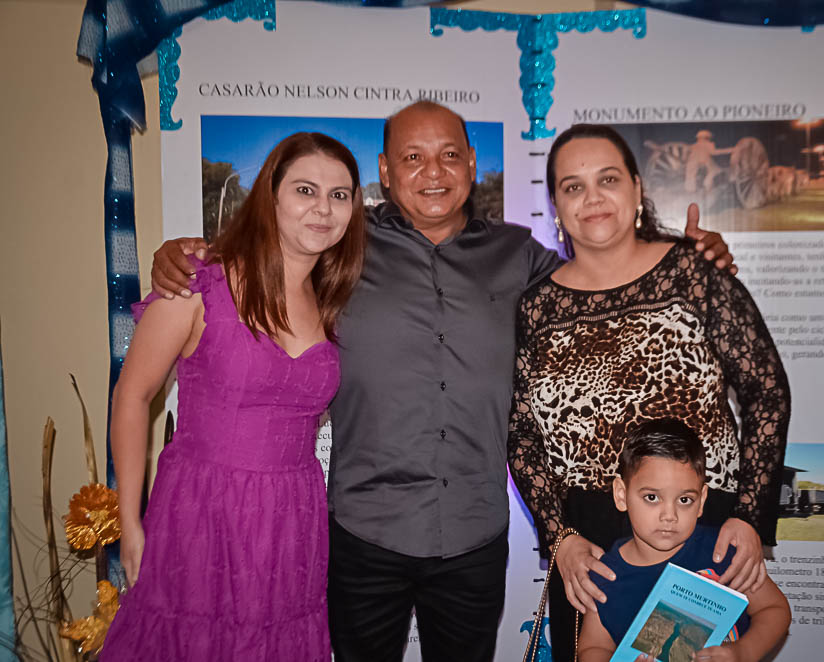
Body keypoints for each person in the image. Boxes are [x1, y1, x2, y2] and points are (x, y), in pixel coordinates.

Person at [150, 101, 734, 662]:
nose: (434, 172)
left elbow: (612, 279)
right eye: (413, 158)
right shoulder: (339, 246)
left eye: (450, 155)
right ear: (384, 170)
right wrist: (181, 254)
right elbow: (261, 257)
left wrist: (687, 256)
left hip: (473, 538)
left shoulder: (520, 255)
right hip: (363, 533)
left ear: (473, 164)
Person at [507, 123, 790, 661]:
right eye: (572, 186)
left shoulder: (694, 273)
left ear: (637, 189)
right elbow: (521, 433)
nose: (592, 198)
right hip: (588, 546)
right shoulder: (536, 307)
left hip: (698, 524)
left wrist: (751, 519)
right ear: (556, 206)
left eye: (607, 179)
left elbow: (766, 392)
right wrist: (559, 538)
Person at [101, 132, 367, 661]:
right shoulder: (200, 282)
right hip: (202, 509)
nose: (323, 208)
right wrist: (129, 520)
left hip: (292, 517)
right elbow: (133, 395)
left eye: (339, 195)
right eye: (305, 190)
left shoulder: (335, 298)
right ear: (270, 197)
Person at [577, 419, 791, 662]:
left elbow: (774, 610)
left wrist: (743, 652)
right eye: (651, 497)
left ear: (701, 501)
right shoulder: (605, 574)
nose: (670, 515)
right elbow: (592, 649)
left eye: (685, 500)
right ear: (621, 494)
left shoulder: (722, 553)